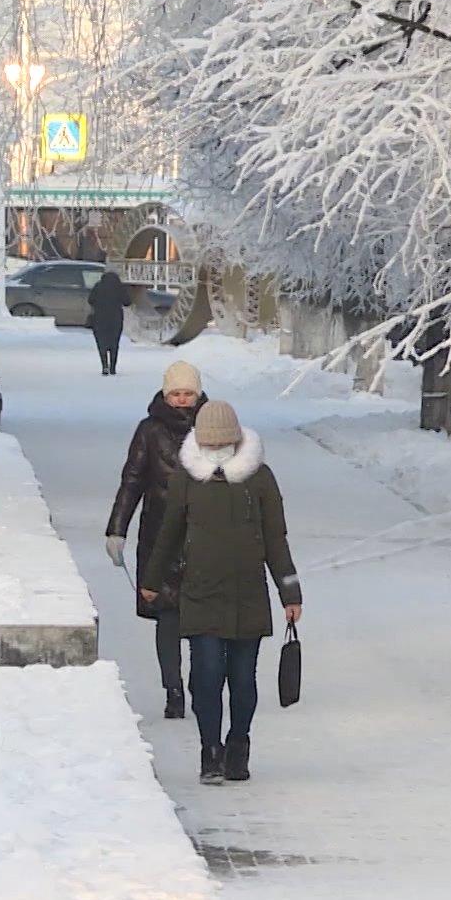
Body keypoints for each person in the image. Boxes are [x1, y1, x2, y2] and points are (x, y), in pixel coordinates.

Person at [140, 401, 303, 784]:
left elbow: (276, 541)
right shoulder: (186, 478)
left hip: (248, 595)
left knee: (243, 681)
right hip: (200, 593)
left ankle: (238, 746)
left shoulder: (260, 479)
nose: (215, 451)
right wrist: (151, 580)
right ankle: (209, 751)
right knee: (207, 676)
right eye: (208, 444)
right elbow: (170, 533)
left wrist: (290, 593)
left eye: (222, 444)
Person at [106, 360, 209, 720]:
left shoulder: (212, 428)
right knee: (167, 614)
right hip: (159, 532)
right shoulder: (149, 431)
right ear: (166, 396)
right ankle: (173, 689)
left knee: (201, 617)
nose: (182, 401)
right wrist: (117, 528)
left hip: (203, 534)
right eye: (176, 394)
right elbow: (132, 479)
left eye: (188, 394)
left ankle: (201, 685)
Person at [87, 269, 129, 375]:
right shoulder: (119, 287)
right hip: (116, 319)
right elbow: (127, 302)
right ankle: (113, 367)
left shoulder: (98, 286)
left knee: (102, 343)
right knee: (114, 343)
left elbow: (90, 300)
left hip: (100, 319)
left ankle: (104, 366)